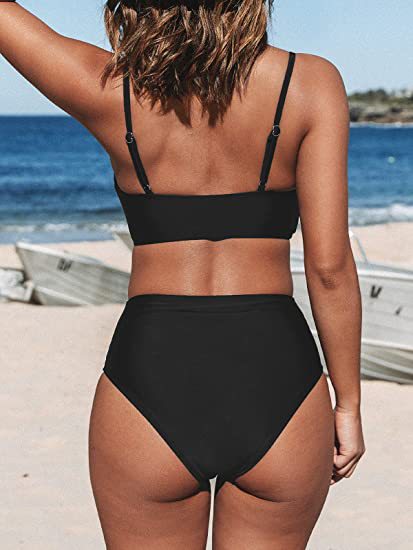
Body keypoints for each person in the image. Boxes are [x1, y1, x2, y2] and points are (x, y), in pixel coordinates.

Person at [1, 1, 365, 548]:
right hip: (278, 375)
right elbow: (329, 267)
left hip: (150, 375)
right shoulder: (309, 82)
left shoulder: (113, 89)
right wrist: (348, 403)